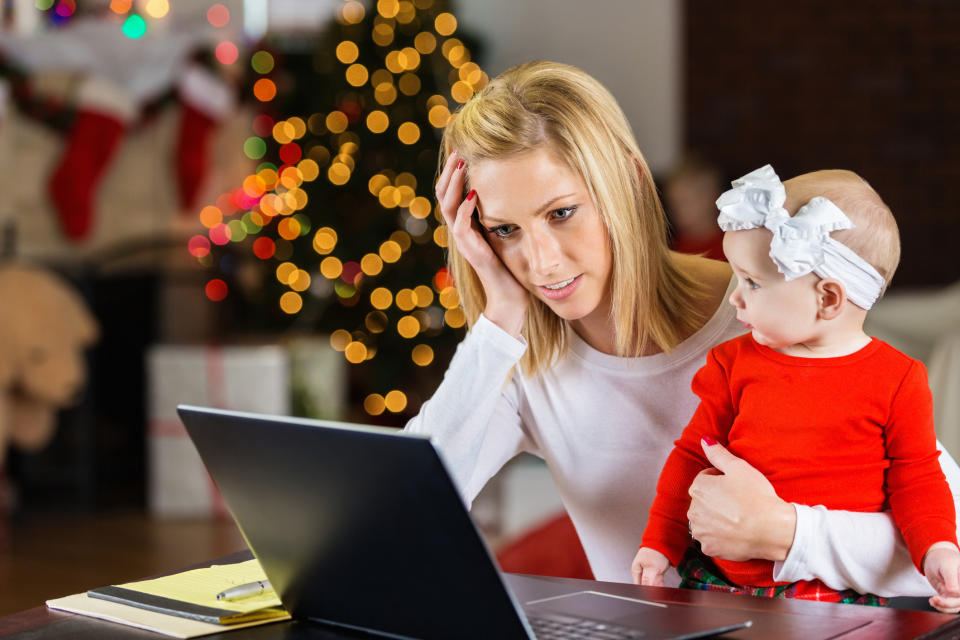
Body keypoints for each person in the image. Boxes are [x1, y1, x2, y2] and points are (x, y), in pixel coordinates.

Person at [403, 60, 960, 611]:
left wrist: (788, 534)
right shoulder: (524, 362)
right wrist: (498, 318)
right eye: (505, 230)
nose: (541, 261)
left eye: (562, 212)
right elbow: (401, 511)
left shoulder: (768, 317)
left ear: (629, 181)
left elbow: (946, 538)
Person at [632, 165, 960, 610]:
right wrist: (659, 542)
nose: (735, 298)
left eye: (753, 282)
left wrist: (937, 547)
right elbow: (693, 453)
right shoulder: (733, 362)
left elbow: (917, 475)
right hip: (719, 579)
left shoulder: (898, 378)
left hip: (832, 593)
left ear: (827, 298)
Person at [664, 154, 726, 262]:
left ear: (708, 198)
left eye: (685, 202)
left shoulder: (729, 247)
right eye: (673, 203)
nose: (677, 210)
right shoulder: (672, 249)